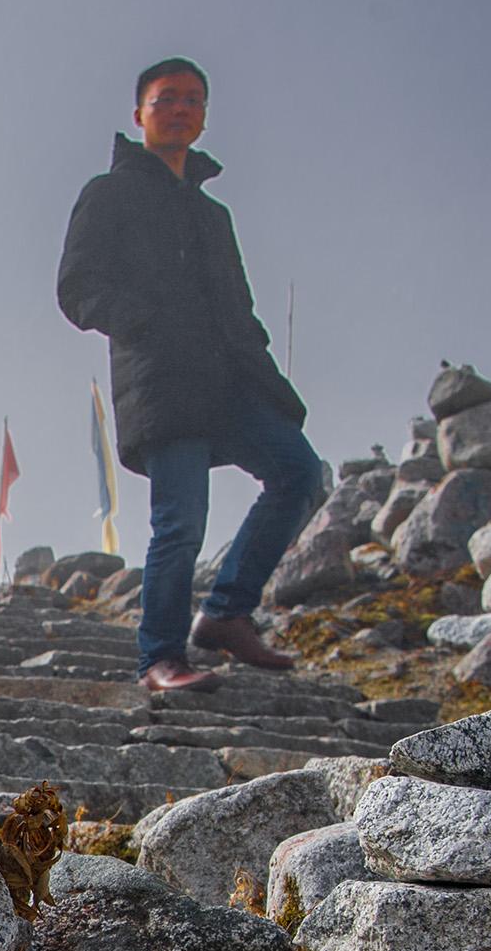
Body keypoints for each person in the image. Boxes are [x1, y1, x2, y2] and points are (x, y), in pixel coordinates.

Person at [56, 57, 325, 687]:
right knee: (181, 523)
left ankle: (227, 614)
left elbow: (241, 305)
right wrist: (147, 325)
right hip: (162, 381)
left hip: (233, 381)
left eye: (193, 100)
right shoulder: (109, 192)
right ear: (139, 114)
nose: (181, 108)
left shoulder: (214, 215)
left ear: (203, 117)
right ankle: (160, 658)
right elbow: (77, 287)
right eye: (167, 97)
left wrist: (259, 363)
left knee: (300, 471)